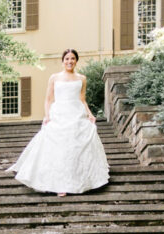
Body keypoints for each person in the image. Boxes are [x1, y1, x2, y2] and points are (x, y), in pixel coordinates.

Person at [8, 48, 110, 196]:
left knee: (75, 148)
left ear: (76, 61)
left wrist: (90, 114)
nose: (70, 61)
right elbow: (48, 99)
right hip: (59, 114)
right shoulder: (54, 78)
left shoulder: (82, 78)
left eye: (72, 59)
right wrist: (47, 116)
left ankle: (78, 181)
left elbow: (82, 99)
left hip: (76, 113)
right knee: (60, 149)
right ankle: (59, 185)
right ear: (63, 61)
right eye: (67, 59)